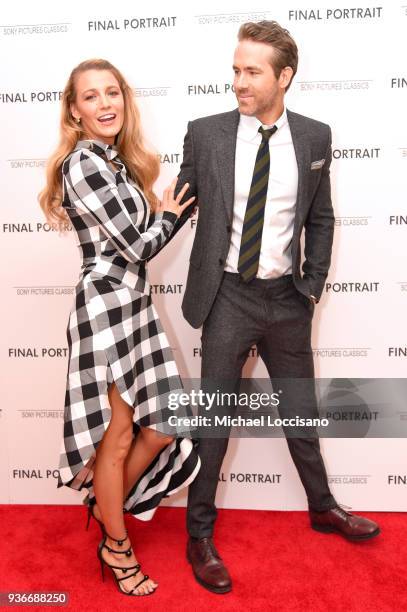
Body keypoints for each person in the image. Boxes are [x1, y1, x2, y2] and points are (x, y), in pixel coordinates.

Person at [171, 21, 380, 594]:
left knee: (300, 412)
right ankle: (199, 534)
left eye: (251, 71)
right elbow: (178, 206)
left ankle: (321, 507)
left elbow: (321, 216)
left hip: (286, 299)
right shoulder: (206, 133)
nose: (238, 80)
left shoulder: (314, 137)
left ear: (284, 77)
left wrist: (310, 286)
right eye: (235, 69)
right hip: (228, 296)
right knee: (214, 420)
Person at [38, 59, 200, 597]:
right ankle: (117, 543)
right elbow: (136, 246)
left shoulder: (117, 164)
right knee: (120, 434)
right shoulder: (83, 164)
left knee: (161, 425)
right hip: (105, 307)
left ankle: (107, 512)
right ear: (74, 111)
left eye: (113, 93)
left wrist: (158, 214)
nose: (106, 104)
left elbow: (132, 241)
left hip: (133, 302)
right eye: (91, 96)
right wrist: (171, 218)